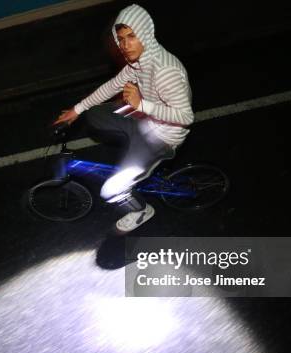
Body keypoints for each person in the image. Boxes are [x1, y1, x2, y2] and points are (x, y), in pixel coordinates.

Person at [54, 3, 194, 233]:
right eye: (121, 39)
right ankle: (129, 147)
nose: (125, 45)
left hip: (160, 138)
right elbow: (113, 85)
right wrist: (76, 110)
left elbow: (185, 116)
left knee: (110, 191)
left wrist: (141, 104)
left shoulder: (164, 71)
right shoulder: (138, 62)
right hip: (144, 119)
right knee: (94, 114)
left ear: (145, 35)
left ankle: (140, 210)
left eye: (132, 37)